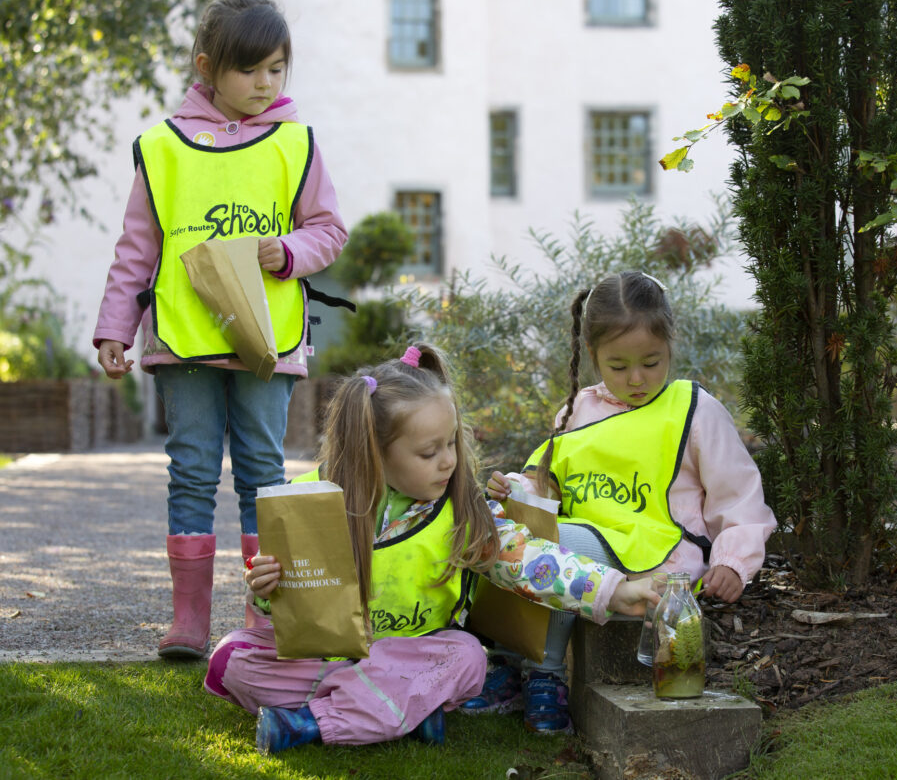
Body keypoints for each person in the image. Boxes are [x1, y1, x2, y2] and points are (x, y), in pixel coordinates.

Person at [202, 344, 658, 753]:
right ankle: (398, 712)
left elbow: (532, 562)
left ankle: (311, 724)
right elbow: (282, 606)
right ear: (376, 452)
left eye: (451, 444)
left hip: (412, 658)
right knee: (231, 659)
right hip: (330, 661)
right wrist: (264, 588)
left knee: (465, 658)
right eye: (428, 452)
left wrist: (614, 592)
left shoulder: (460, 514)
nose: (449, 461)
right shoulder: (311, 501)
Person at [92, 0, 347, 658]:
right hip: (184, 341)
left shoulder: (298, 144)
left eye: (276, 69)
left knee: (263, 471)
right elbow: (136, 248)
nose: (265, 84)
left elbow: (329, 230)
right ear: (208, 67)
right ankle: (188, 622)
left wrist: (288, 252)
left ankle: (264, 615)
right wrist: (114, 328)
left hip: (266, 342)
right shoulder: (161, 148)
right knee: (192, 469)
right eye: (250, 70)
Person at [465, 271, 775, 733]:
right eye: (618, 365)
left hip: (658, 554)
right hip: (584, 541)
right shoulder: (577, 412)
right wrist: (515, 492)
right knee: (505, 530)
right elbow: (549, 485)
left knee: (559, 547)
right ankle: (511, 662)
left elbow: (740, 495)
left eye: (651, 362)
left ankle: (545, 677)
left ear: (671, 344)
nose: (636, 379)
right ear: (593, 356)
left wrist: (733, 560)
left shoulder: (694, 408)